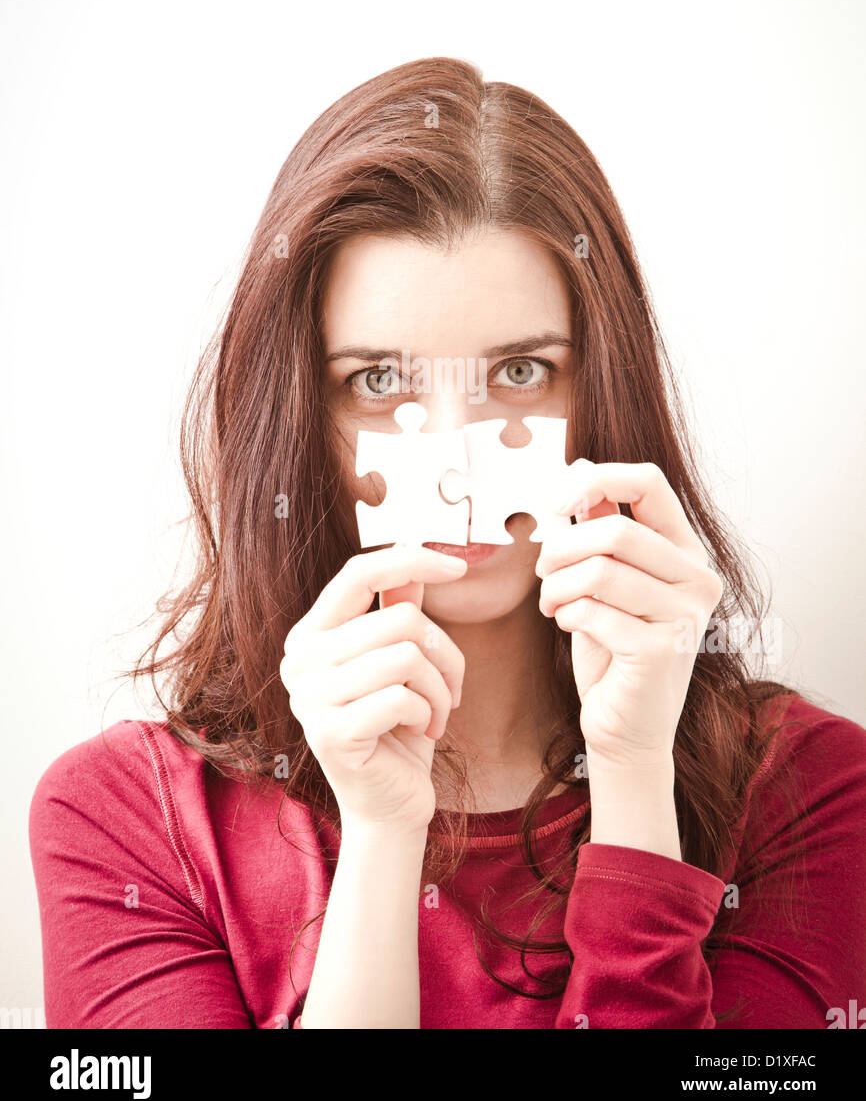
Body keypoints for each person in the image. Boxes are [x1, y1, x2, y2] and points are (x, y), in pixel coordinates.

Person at [29, 57, 866, 1029]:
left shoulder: (806, 792)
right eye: (378, 381)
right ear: (300, 416)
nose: (459, 470)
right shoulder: (124, 823)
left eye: (519, 369)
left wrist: (633, 776)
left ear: (602, 390)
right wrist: (383, 838)